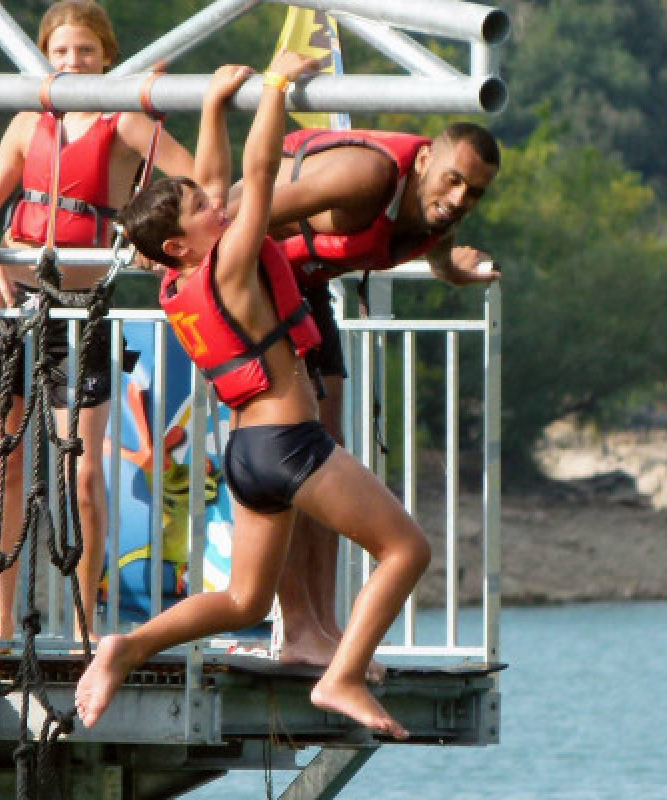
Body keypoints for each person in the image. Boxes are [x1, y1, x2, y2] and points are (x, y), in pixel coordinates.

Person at [74, 51, 431, 738]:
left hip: (247, 453)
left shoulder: (181, 281)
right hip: (291, 445)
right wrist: (274, 88)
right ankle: (344, 676)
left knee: (242, 600)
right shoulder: (231, 263)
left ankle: (127, 645)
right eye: (205, 209)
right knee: (406, 550)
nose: (220, 203)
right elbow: (261, 172)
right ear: (180, 242)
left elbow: (208, 178)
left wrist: (213, 107)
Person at [0, 0, 196, 644]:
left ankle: (89, 625)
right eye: (61, 53)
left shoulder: (126, 125)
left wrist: (150, 236)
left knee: (84, 475)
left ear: (108, 58)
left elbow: (198, 183)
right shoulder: (24, 125)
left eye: (85, 53)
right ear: (45, 57)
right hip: (17, 310)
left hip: (84, 313)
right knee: (3, 465)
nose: (73, 64)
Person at [253, 124, 500, 670]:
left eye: (475, 192)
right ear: (423, 161)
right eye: (453, 180)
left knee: (328, 453)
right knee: (295, 459)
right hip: (255, 281)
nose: (460, 199)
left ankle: (324, 625)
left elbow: (430, 235)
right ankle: (297, 630)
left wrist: (446, 269)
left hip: (304, 287)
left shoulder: (437, 211)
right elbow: (245, 204)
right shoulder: (365, 176)